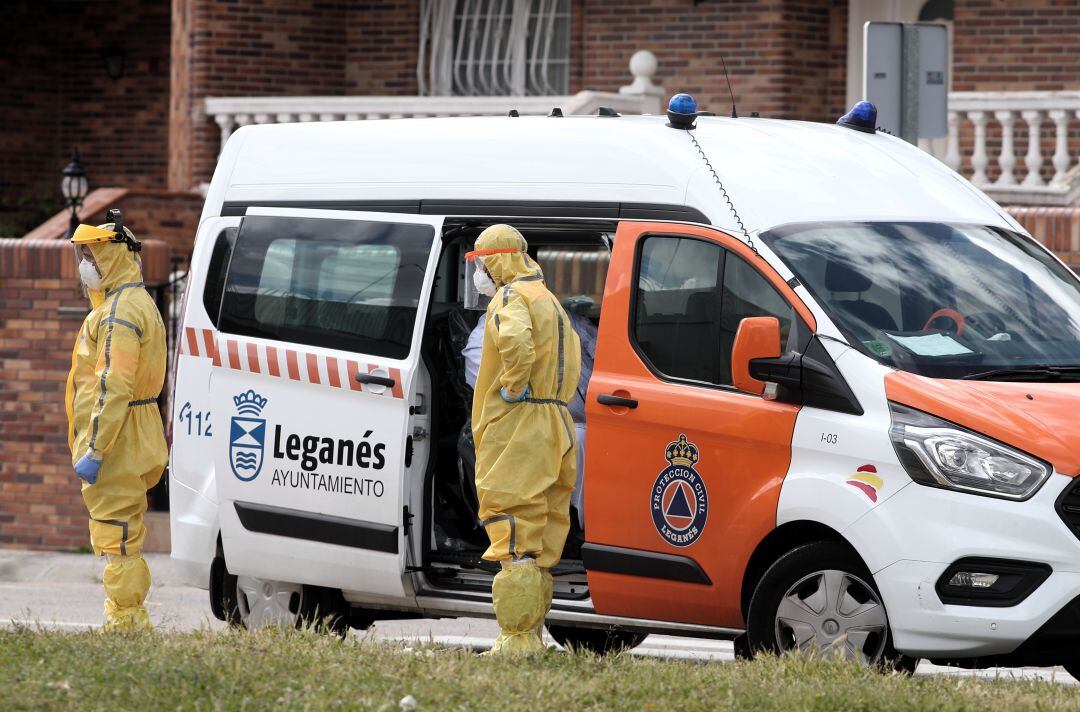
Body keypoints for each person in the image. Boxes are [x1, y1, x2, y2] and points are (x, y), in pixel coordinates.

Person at [466, 224, 582, 655]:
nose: (478, 273)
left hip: (520, 426)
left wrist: (513, 388)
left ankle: (515, 641)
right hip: (555, 421)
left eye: (480, 263)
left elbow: (514, 341)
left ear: (496, 260)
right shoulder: (549, 300)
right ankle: (532, 636)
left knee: (512, 530)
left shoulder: (511, 297)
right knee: (540, 536)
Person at [65, 212, 168, 633]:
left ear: (112, 257)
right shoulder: (135, 303)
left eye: (91, 254)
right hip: (134, 430)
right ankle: (127, 615)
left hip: (119, 435)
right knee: (124, 528)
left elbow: (112, 385)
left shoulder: (120, 312)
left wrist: (95, 448)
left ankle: (125, 621)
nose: (85, 263)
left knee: (116, 533)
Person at [464, 308, 596, 531]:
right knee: (581, 441)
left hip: (596, 411)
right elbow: (492, 387)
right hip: (532, 425)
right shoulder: (487, 331)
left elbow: (601, 344)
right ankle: (588, 534)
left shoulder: (558, 314)